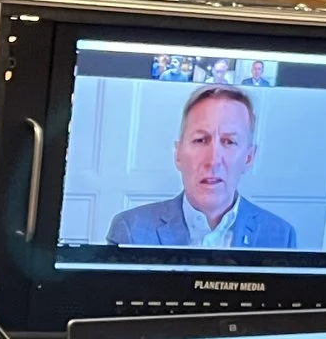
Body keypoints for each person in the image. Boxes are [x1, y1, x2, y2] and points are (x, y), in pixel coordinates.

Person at [107, 85, 299, 249]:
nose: (213, 160)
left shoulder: (281, 236)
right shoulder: (130, 230)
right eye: (200, 140)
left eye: (229, 142)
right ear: (178, 154)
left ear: (248, 157)